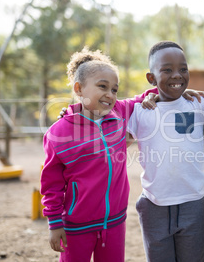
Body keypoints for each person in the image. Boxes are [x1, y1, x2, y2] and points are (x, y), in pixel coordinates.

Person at [40, 47, 159, 262]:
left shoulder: (120, 112)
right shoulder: (58, 134)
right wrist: (55, 224)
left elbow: (149, 95)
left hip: (114, 223)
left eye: (114, 89)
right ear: (79, 88)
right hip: (76, 227)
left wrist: (180, 93)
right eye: (102, 86)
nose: (110, 94)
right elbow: (51, 184)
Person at [127, 41, 204, 262]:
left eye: (183, 69)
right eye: (167, 70)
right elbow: (116, 142)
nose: (177, 75)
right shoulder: (141, 111)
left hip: (196, 204)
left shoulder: (199, 103)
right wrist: (73, 115)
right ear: (151, 78)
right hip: (154, 206)